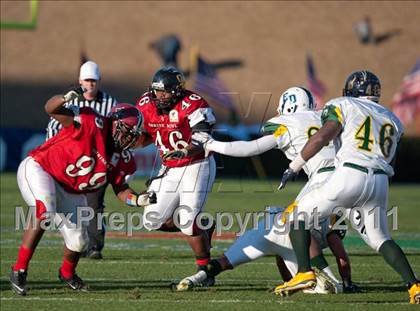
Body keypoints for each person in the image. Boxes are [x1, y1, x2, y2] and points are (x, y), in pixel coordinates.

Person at [273, 71, 420, 304]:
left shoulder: (342, 104)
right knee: (380, 238)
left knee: (295, 215)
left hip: (349, 173)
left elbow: (323, 137)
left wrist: (294, 166)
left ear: (351, 89)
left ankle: (304, 272)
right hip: (380, 180)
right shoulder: (392, 118)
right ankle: (414, 286)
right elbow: (390, 160)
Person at [10, 95, 155, 296]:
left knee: (79, 241)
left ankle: (67, 273)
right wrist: (63, 99)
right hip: (41, 169)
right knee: (45, 211)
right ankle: (19, 270)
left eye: (134, 136)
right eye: (128, 133)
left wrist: (138, 199)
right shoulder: (90, 122)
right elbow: (51, 108)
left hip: (71, 188)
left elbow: (121, 189)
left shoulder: (123, 158)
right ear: (116, 125)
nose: (130, 139)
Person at [135, 67, 216, 278]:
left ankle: (204, 271)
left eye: (164, 92)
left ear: (177, 91)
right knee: (152, 221)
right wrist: (129, 142)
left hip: (197, 164)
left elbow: (203, 136)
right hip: (170, 168)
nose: (159, 96)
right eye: (156, 91)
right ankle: (204, 226)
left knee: (188, 223)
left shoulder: (193, 103)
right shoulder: (145, 104)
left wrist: (185, 150)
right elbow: (145, 136)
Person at [176, 206, 355, 295]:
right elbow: (341, 257)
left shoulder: (313, 208)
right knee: (332, 288)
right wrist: (347, 282)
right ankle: (330, 284)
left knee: (224, 262)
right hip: (289, 234)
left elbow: (280, 255)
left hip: (267, 226)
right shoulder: (333, 222)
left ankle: (194, 279)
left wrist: (289, 281)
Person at [46, 61, 117, 259]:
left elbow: (116, 133)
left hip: (98, 162)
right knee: (71, 202)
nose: (90, 84)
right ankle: (75, 242)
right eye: (87, 80)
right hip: (71, 161)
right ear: (80, 80)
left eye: (94, 80)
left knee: (94, 203)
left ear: (99, 81)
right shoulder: (71, 101)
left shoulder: (110, 103)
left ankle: (95, 246)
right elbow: (54, 127)